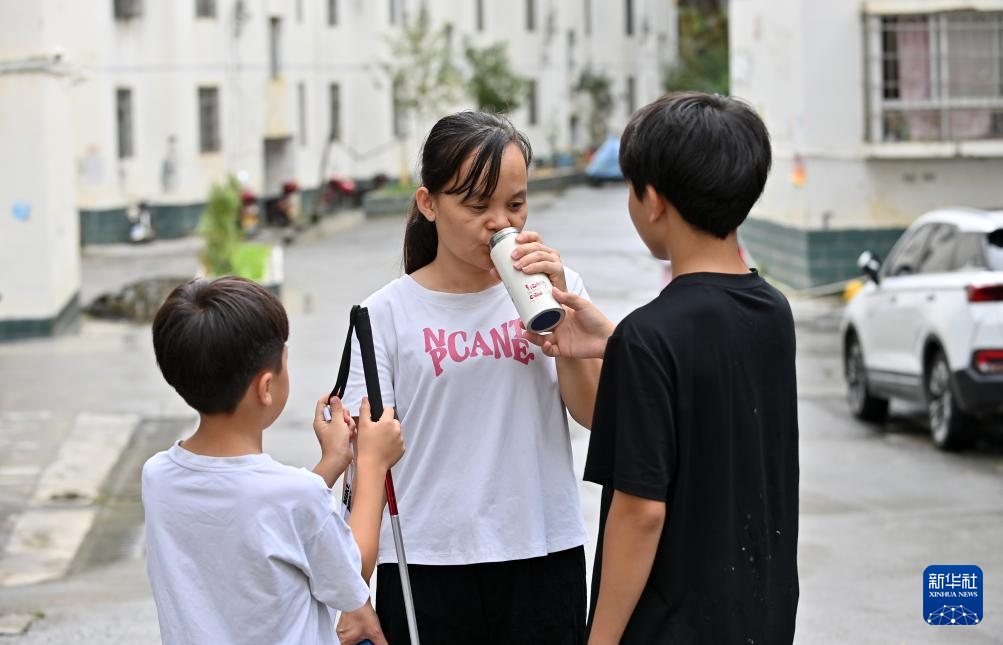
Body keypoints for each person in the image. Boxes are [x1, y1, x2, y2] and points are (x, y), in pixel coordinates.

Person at [527, 92, 800, 644]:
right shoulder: (773, 311)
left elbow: (640, 513)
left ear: (653, 200)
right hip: (761, 615)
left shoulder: (649, 337)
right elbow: (708, 389)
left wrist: (600, 640)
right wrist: (616, 345)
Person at [338, 111, 602, 644]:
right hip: (424, 563)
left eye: (516, 204)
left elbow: (594, 414)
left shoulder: (556, 289)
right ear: (428, 203)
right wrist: (353, 594)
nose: (500, 223)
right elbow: (360, 465)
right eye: (477, 206)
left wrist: (567, 338)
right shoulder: (382, 316)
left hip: (543, 552)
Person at [142, 276, 404, 645]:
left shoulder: (157, 477)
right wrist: (373, 464)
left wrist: (331, 463)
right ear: (266, 387)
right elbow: (351, 575)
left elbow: (262, 515)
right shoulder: (296, 495)